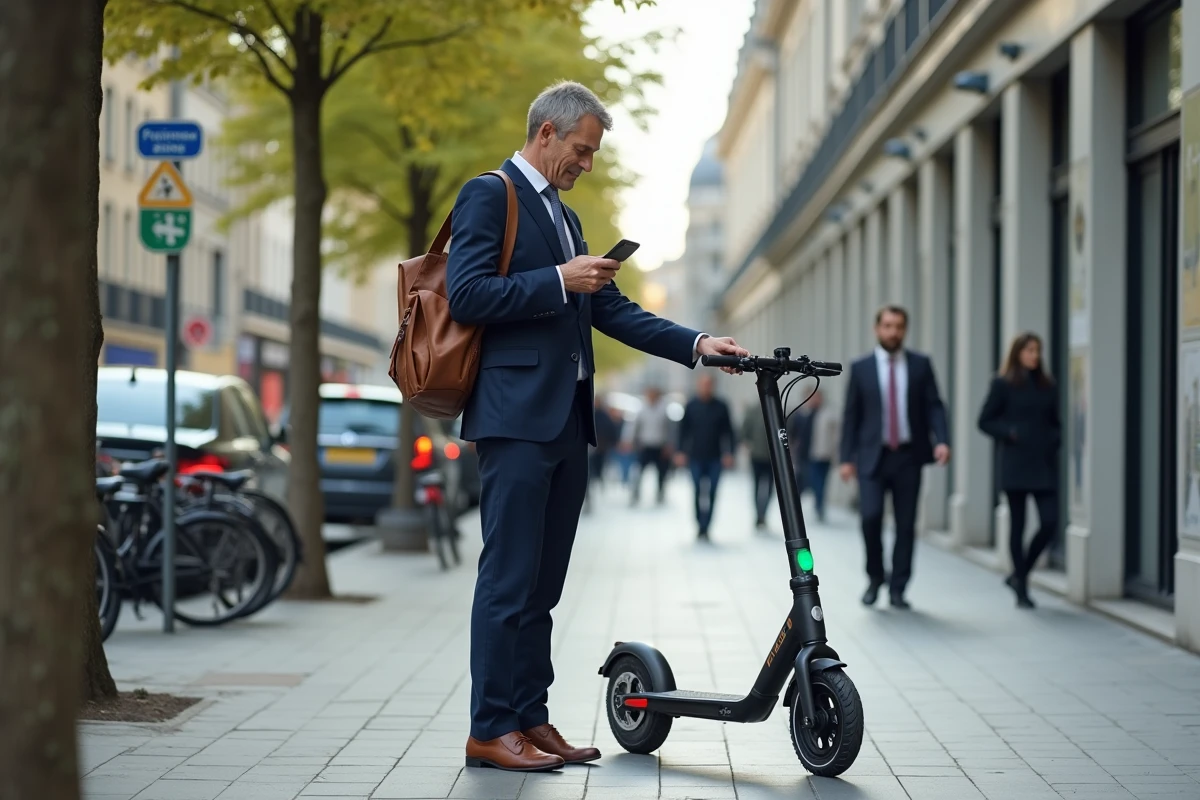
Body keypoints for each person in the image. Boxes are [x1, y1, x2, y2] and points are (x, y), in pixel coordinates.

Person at [445, 80, 747, 772]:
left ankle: (530, 716)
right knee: (507, 580)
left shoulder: (566, 219)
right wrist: (558, 279)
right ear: (545, 134)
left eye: (593, 154)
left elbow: (614, 311)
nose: (586, 164)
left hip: (565, 422)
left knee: (544, 585)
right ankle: (490, 728)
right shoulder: (489, 194)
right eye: (581, 150)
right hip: (515, 420)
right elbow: (467, 295)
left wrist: (699, 344)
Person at [839, 305, 950, 609]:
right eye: (887, 326)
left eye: (899, 326)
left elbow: (934, 406)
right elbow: (851, 416)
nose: (893, 332)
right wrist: (846, 458)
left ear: (905, 329)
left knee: (905, 524)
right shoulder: (860, 367)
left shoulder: (920, 365)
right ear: (877, 329)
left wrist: (942, 440)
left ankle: (899, 587)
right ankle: (875, 577)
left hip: (908, 457)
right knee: (870, 517)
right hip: (872, 457)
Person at [977, 332, 1061, 609]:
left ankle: (1019, 572)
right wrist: (1010, 433)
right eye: (1029, 351)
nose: (1034, 356)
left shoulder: (1047, 384)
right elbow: (985, 420)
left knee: (1049, 521)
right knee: (1018, 525)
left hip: (1043, 463)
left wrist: (1053, 439)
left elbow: (1055, 421)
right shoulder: (1002, 384)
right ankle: (1022, 587)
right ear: (1017, 354)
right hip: (1015, 463)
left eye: (1037, 350)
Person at [676, 374, 736, 539]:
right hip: (695, 456)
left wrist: (729, 453)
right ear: (698, 385)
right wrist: (680, 452)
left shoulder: (721, 406)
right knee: (696, 490)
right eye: (703, 384)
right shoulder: (691, 405)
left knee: (712, 492)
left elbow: (729, 431)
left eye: (709, 384)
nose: (706, 387)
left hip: (715, 457)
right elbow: (683, 431)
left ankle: (707, 525)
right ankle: (699, 523)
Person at [792, 388, 839, 522]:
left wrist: (834, 453)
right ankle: (795, 509)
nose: (814, 400)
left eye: (817, 397)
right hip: (804, 455)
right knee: (801, 483)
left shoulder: (828, 414)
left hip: (822, 455)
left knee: (820, 484)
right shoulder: (801, 414)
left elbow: (835, 436)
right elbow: (794, 433)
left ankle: (819, 508)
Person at [623, 385, 673, 505]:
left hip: (660, 445)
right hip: (645, 445)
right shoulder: (641, 409)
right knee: (639, 471)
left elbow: (669, 429)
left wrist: (669, 444)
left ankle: (660, 493)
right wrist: (628, 441)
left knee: (661, 472)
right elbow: (633, 427)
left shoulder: (664, 409)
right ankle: (635, 493)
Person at [740, 402, 774, 529]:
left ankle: (764, 514)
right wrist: (747, 443)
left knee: (770, 488)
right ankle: (758, 514)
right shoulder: (753, 410)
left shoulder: (776, 409)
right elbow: (745, 429)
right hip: (757, 456)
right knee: (757, 486)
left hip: (773, 458)